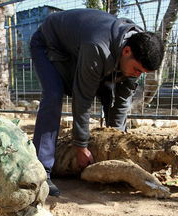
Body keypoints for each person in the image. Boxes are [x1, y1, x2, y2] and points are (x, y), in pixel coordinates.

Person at [30, 8, 165, 196]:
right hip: (48, 44)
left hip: (78, 48)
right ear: (126, 51)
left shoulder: (138, 48)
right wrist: (80, 145)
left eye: (141, 73)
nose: (137, 75)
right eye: (137, 70)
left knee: (108, 92)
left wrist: (117, 143)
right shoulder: (98, 47)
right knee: (54, 94)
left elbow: (121, 103)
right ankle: (42, 172)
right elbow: (82, 98)